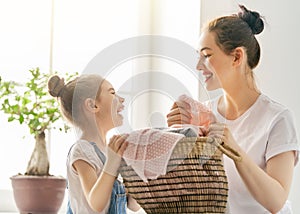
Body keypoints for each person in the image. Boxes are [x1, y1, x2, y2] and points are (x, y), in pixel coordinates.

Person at [167, 5, 299, 214]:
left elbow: (276, 201)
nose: (198, 65)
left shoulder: (277, 119)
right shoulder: (205, 114)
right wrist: (178, 138)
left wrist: (235, 150)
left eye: (207, 55)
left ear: (237, 57)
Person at [48, 73, 141, 213]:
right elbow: (96, 204)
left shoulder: (109, 151)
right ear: (92, 105)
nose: (121, 99)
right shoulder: (82, 151)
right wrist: (113, 161)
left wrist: (137, 169)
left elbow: (133, 206)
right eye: (112, 93)